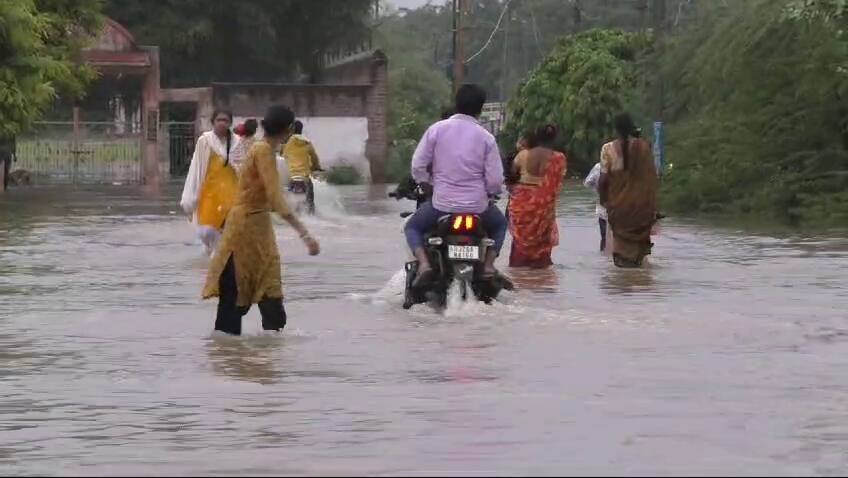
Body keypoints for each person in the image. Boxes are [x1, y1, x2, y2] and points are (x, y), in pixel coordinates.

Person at [202, 105, 320, 336]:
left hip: (256, 227)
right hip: (245, 229)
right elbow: (275, 198)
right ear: (288, 130)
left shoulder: (259, 148)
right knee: (237, 293)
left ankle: (260, 350)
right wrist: (305, 234)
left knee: (267, 290)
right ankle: (245, 350)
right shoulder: (263, 151)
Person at [405, 84, 507, 285]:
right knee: (500, 224)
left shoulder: (436, 130)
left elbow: (418, 165)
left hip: (442, 204)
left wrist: (427, 184)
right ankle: (488, 265)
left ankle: (424, 264)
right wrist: (489, 194)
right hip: (478, 207)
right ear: (480, 108)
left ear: (456, 103)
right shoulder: (486, 138)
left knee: (412, 227)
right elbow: (495, 181)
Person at [598, 113, 658, 268]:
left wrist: (604, 202)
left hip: (619, 209)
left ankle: (626, 277)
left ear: (616, 129)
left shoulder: (607, 149)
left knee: (621, 256)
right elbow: (651, 178)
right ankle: (639, 279)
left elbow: (603, 181)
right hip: (641, 209)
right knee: (640, 257)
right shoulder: (644, 147)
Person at [180, 110, 243, 254]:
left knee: (228, 229)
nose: (222, 123)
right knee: (206, 230)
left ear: (230, 123)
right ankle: (213, 252)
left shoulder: (237, 142)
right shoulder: (205, 141)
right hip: (210, 192)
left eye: (225, 120)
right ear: (213, 122)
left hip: (231, 193)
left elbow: (242, 168)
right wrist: (191, 195)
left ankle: (220, 258)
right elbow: (197, 167)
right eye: (219, 120)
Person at [507, 124, 568, 268]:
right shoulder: (559, 158)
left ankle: (518, 270)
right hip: (544, 205)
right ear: (554, 138)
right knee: (542, 237)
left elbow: (512, 175)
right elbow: (557, 182)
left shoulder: (523, 155)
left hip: (522, 202)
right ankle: (540, 270)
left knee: (520, 237)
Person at [282, 120, 323, 215]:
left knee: (289, 199)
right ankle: (312, 214)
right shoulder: (307, 142)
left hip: (292, 177)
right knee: (310, 202)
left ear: (291, 130)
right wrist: (316, 167)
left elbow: (283, 157)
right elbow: (314, 158)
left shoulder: (286, 144)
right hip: (304, 177)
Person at [583, 161, 608, 252]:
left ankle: (603, 257)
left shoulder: (598, 166)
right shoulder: (625, 165)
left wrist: (597, 189)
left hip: (603, 206)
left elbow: (587, 183)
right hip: (621, 208)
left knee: (604, 238)